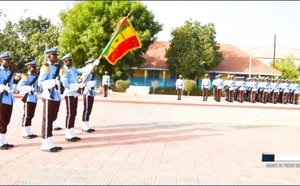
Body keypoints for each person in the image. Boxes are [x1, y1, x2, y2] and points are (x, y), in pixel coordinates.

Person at [37, 46, 62, 152]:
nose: (56, 57)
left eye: (56, 55)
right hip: (48, 96)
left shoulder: (55, 67)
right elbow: (40, 83)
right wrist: (52, 83)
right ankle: (44, 142)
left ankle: (49, 140)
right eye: (54, 55)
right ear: (48, 56)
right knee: (46, 119)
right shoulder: (46, 67)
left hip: (55, 96)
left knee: (51, 119)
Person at [60, 53, 83, 142]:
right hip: (69, 94)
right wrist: (78, 86)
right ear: (64, 61)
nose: (70, 61)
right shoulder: (63, 71)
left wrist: (91, 65)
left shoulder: (73, 69)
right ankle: (68, 133)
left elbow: (81, 70)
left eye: (70, 60)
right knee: (70, 113)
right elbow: (66, 84)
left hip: (75, 94)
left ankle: (72, 132)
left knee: (74, 113)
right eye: (68, 60)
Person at [17, 60, 38, 139]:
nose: (35, 68)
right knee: (26, 115)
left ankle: (29, 130)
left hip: (34, 98)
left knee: (31, 115)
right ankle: (24, 131)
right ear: (29, 68)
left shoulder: (35, 76)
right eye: (33, 67)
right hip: (28, 98)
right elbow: (19, 87)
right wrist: (28, 88)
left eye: (35, 67)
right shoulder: (26, 76)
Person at [0, 51, 15, 150]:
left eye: (9, 60)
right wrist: (2, 87)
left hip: (8, 98)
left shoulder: (10, 72)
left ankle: (3, 139)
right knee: (0, 120)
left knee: (6, 120)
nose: (9, 62)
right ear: (1, 61)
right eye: (7, 60)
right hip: (1, 98)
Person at [81, 58, 98, 133]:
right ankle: (84, 124)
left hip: (91, 92)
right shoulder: (86, 74)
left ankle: (87, 123)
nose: (93, 66)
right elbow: (84, 83)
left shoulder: (92, 73)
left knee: (90, 109)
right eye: (91, 65)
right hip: (87, 92)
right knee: (87, 109)